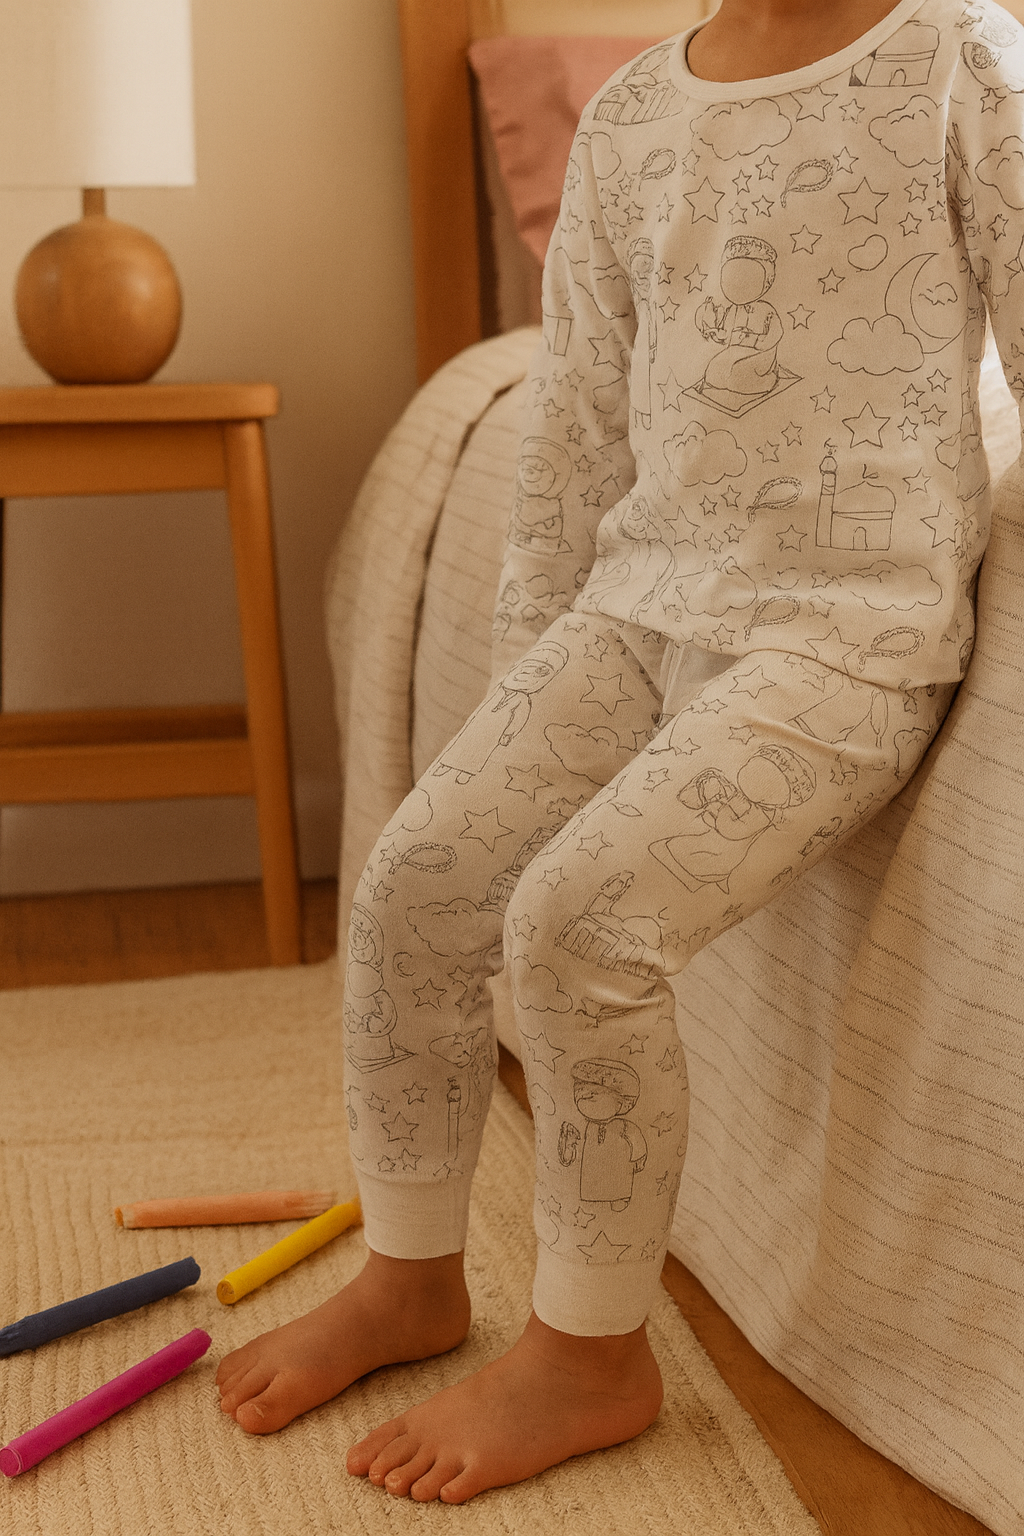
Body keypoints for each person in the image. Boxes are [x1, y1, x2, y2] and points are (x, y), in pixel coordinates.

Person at [216, 0, 1023, 1504]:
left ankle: (594, 1354)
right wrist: (527, 681)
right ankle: (410, 1276)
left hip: (843, 640)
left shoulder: (962, 63)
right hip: (638, 600)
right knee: (416, 880)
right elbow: (576, 424)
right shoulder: (637, 107)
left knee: (578, 927)